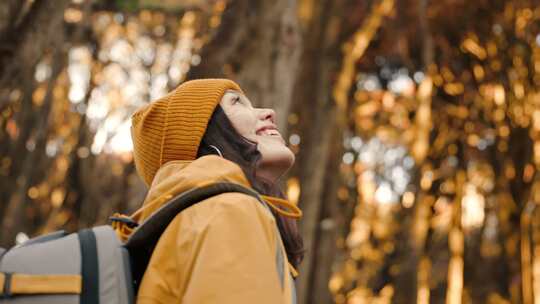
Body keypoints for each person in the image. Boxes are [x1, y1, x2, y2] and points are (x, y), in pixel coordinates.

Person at [129, 79, 304, 303]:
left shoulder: (197, 216)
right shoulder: (229, 209)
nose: (269, 113)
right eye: (237, 103)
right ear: (201, 136)